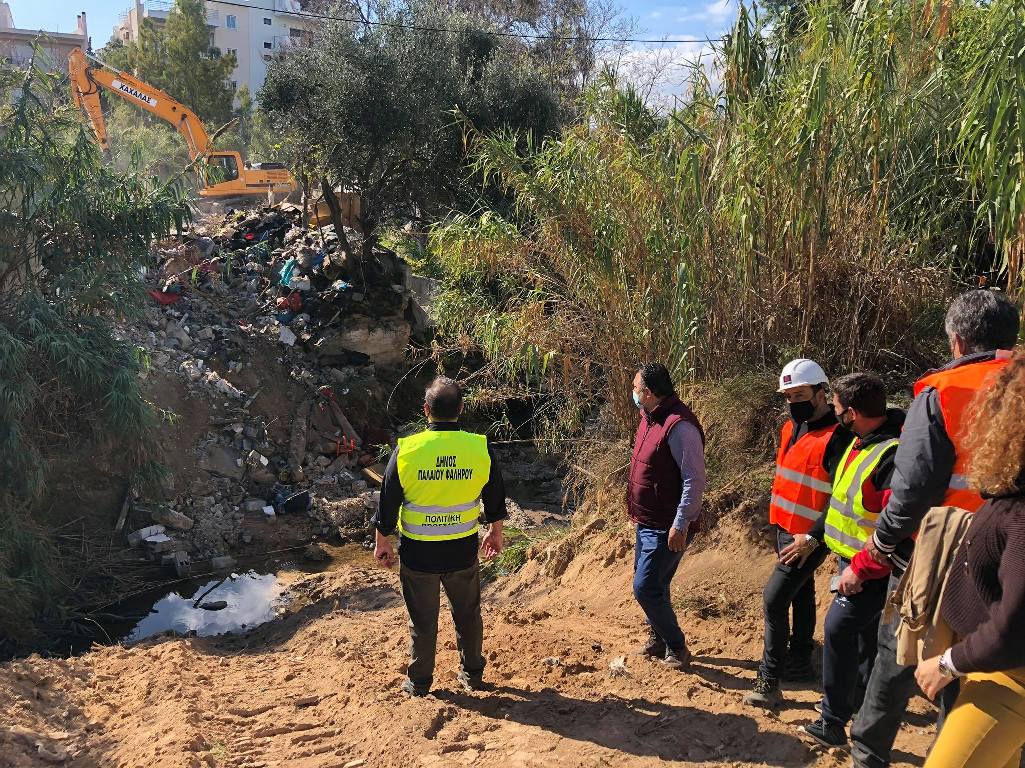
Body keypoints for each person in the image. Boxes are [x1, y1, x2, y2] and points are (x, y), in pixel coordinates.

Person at [849, 289, 1020, 768]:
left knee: (900, 651)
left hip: (942, 552)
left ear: (957, 341)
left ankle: (868, 754)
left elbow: (911, 492)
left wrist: (878, 547)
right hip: (1011, 554)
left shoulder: (942, 392)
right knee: (978, 670)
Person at [915, 348, 1025, 768]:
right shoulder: (1014, 495)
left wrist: (948, 663)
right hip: (993, 669)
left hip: (1008, 680)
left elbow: (1014, 626)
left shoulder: (1021, 512)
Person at [372, 376, 507, 697]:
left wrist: (382, 542)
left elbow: (387, 503)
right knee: (468, 614)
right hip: (462, 550)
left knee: (422, 619)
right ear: (461, 409)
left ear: (425, 410)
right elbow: (495, 496)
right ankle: (472, 674)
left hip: (419, 554)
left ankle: (419, 682)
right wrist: (495, 532)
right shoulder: (479, 448)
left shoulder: (407, 451)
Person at [796, 373, 904, 747]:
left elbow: (896, 525)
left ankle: (832, 721)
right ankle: (859, 707)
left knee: (838, 630)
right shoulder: (860, 442)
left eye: (838, 407)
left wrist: (862, 569)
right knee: (865, 641)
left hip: (872, 568)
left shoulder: (890, 456)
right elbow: (843, 500)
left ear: (853, 412)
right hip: (852, 561)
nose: (834, 412)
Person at [745, 359, 850, 708]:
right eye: (789, 396)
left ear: (822, 392)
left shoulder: (838, 437)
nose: (793, 402)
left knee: (774, 598)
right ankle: (801, 660)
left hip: (809, 537)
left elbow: (841, 497)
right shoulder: (790, 428)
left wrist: (814, 538)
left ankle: (769, 679)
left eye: (800, 395)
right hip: (784, 528)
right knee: (801, 593)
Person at [628, 362, 706, 670]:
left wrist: (681, 523)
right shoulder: (649, 417)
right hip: (646, 519)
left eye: (635, 388)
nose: (633, 392)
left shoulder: (680, 427)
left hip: (666, 525)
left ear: (648, 392)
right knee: (655, 585)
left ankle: (676, 645)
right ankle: (659, 637)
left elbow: (694, 480)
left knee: (646, 587)